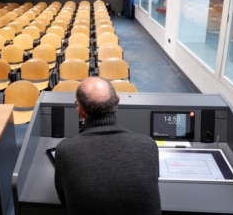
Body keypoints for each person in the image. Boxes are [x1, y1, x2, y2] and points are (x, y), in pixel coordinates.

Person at [53, 77, 161, 215]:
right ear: (117, 100)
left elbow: (64, 199)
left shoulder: (65, 149)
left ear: (80, 112)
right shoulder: (147, 145)